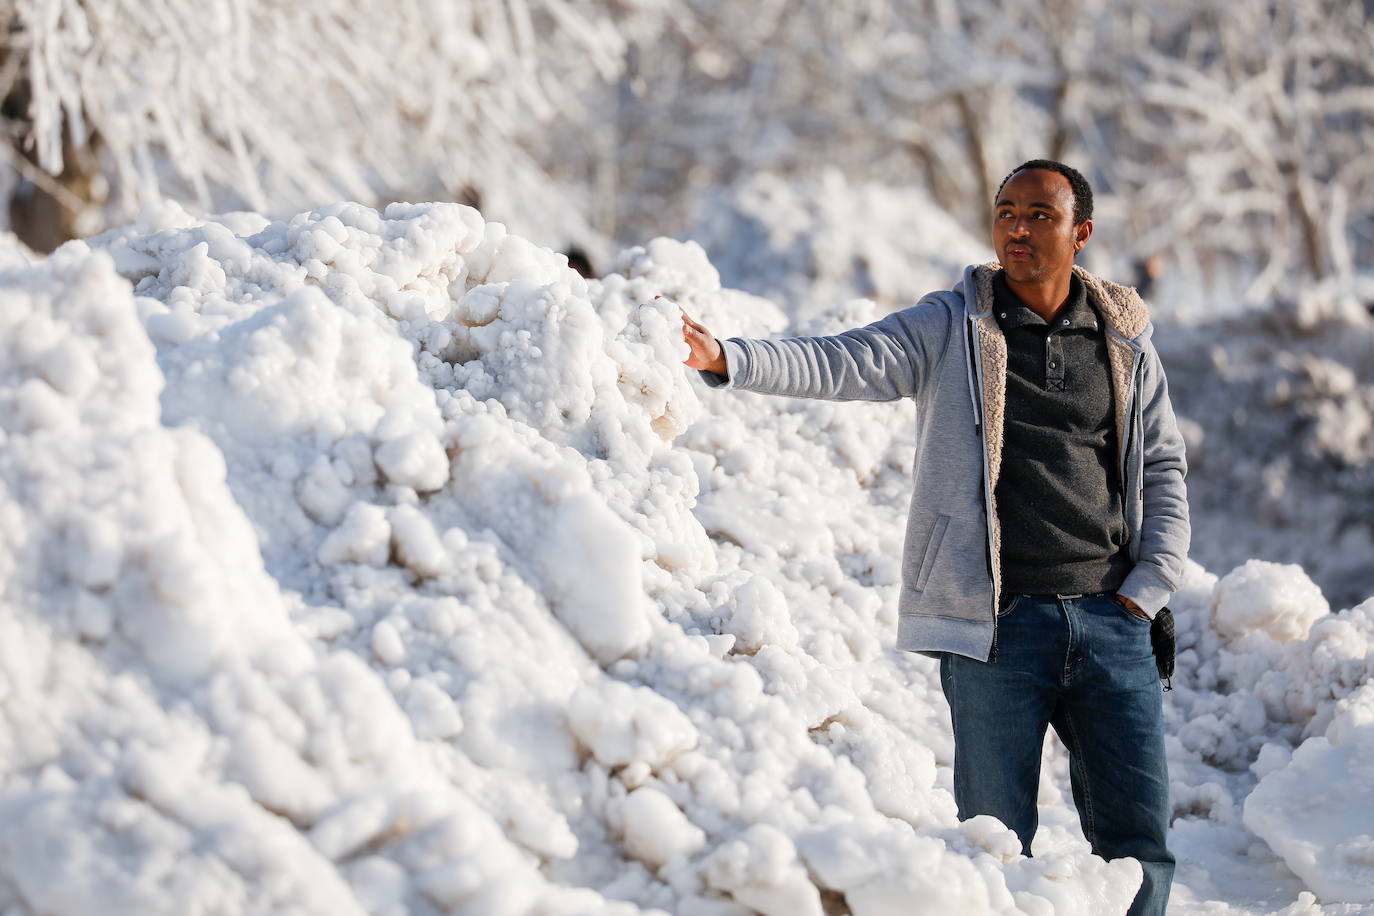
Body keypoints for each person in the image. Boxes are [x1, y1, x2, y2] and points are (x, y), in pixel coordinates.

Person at [678, 159, 1188, 916]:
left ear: (1080, 233)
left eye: (1040, 214)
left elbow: (1166, 467)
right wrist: (728, 357)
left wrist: (1147, 594)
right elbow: (846, 359)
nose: (1018, 226)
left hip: (1113, 623)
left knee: (1138, 844)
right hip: (996, 631)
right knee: (993, 846)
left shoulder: (1124, 340)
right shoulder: (954, 324)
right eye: (1006, 210)